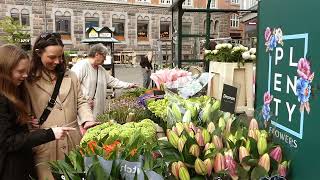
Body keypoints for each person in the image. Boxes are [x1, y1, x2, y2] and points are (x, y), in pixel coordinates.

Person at [25, 33, 97, 180]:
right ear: (38, 53)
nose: (57, 61)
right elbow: (21, 109)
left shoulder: (70, 75)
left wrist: (87, 119)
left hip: (72, 141)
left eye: (60, 56)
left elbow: (81, 101)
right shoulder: (28, 79)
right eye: (52, 57)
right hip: (45, 143)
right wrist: (27, 120)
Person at [0, 44, 75, 180]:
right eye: (20, 71)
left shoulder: (13, 89)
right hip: (10, 169)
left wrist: (25, 120)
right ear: (4, 70)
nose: (25, 75)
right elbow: (7, 141)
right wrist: (50, 133)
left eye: (26, 70)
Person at [71, 43, 137, 117]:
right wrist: (84, 100)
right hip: (85, 110)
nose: (105, 59)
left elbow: (112, 81)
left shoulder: (101, 69)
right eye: (104, 56)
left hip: (98, 111)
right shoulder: (81, 66)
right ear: (97, 54)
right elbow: (73, 85)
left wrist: (129, 85)